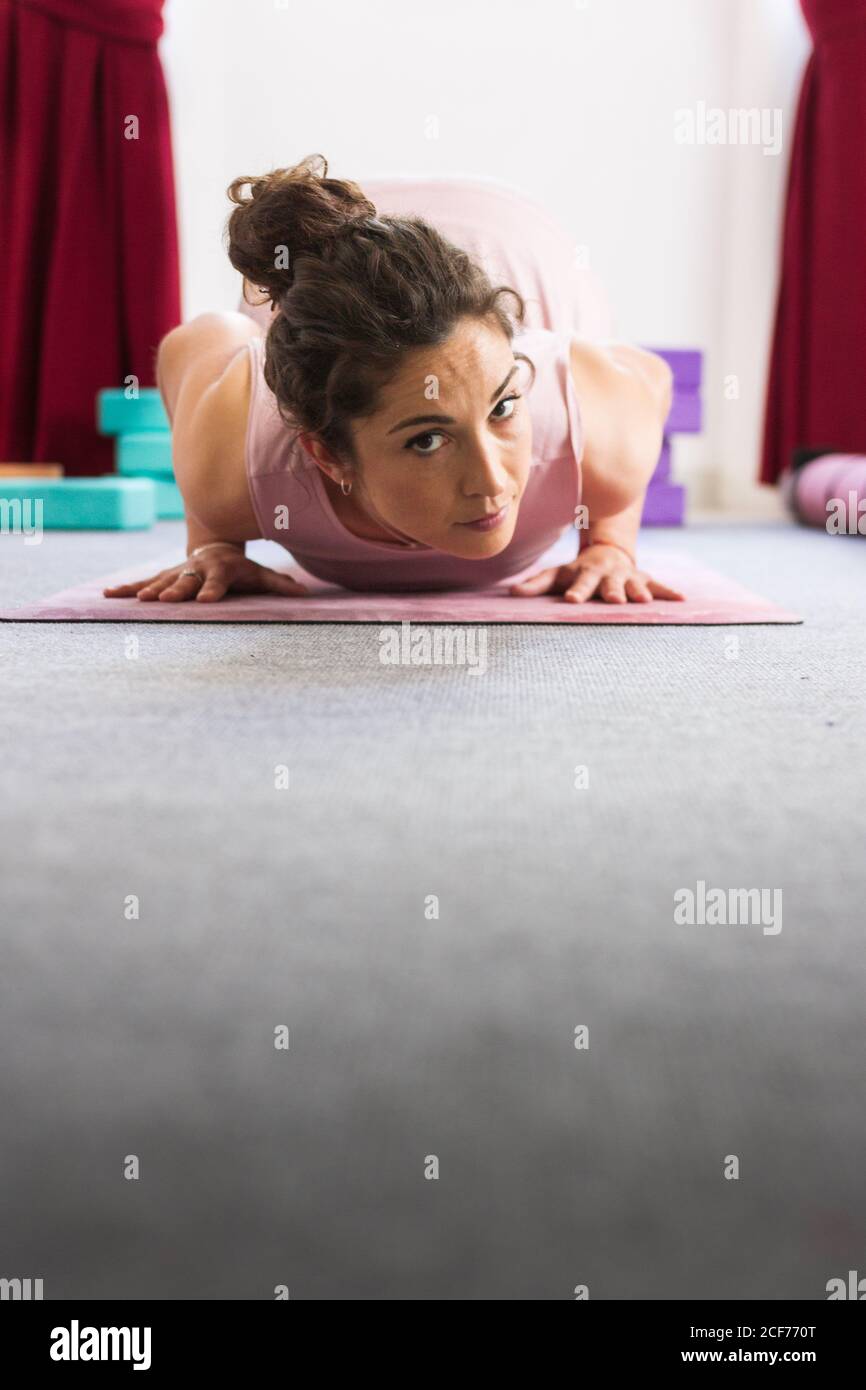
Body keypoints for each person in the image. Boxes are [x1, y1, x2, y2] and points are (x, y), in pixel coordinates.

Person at [105, 155, 683, 605]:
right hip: (327, 289)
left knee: (480, 368)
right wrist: (213, 543)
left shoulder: (591, 428)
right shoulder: (233, 465)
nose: (490, 482)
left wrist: (609, 545)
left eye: (503, 411)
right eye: (426, 440)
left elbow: (652, 379)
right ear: (327, 456)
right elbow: (193, 344)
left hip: (512, 241)